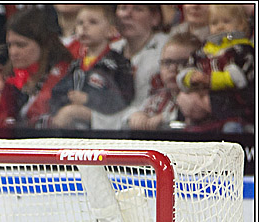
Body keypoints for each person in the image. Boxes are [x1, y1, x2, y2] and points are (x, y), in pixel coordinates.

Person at [49, 5, 135, 129]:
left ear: (111, 31)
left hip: (106, 131)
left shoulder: (118, 64)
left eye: (93, 22)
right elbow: (57, 93)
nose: (84, 27)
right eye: (79, 23)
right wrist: (67, 100)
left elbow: (123, 98)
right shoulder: (75, 65)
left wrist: (89, 99)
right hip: (73, 130)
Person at [175, 3, 254, 133]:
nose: (220, 26)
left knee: (231, 130)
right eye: (214, 23)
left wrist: (210, 80)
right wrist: (191, 78)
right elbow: (185, 70)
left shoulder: (243, 50)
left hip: (235, 115)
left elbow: (240, 79)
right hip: (204, 117)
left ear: (241, 24)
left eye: (226, 21)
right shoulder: (203, 51)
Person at [91, 4, 169, 130]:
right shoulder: (108, 51)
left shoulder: (168, 48)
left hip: (156, 129)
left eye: (138, 8)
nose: (127, 14)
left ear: (155, 17)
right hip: (113, 130)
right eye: (123, 8)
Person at [0, 7, 74, 128]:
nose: (13, 52)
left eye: (21, 45)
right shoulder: (8, 79)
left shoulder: (66, 78)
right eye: (10, 45)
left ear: (44, 44)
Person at [125, 32, 202, 130]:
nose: (173, 68)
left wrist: (164, 118)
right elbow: (129, 115)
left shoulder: (200, 99)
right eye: (167, 62)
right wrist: (136, 116)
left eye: (184, 62)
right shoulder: (158, 98)